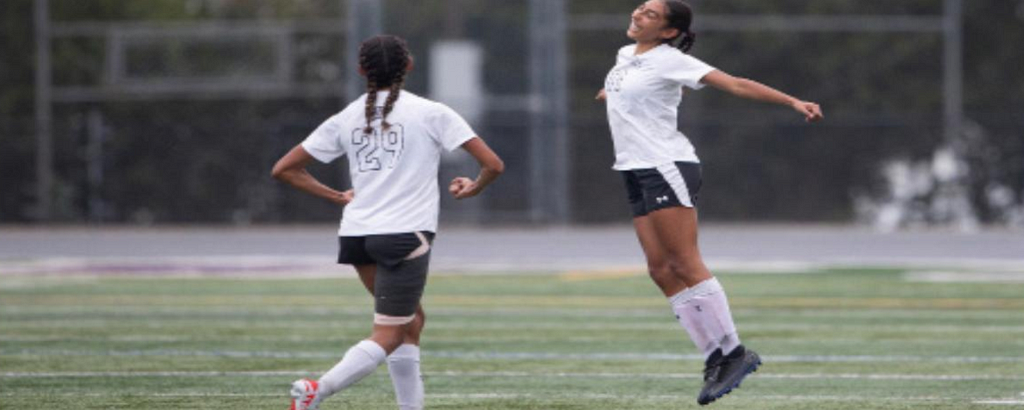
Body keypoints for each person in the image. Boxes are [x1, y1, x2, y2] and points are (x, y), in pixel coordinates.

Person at [596, 0, 823, 406]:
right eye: (640, 8)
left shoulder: (671, 60)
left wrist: (792, 101)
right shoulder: (627, 55)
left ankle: (735, 351)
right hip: (633, 168)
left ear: (668, 32)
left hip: (666, 165)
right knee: (660, 270)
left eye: (650, 14)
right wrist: (611, 93)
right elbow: (634, 87)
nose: (637, 14)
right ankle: (714, 357)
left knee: (685, 262)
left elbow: (735, 83)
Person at [271, 34, 504, 410]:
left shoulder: (346, 116)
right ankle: (317, 390)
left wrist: (337, 197)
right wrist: (474, 187)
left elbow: (285, 169)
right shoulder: (431, 112)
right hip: (403, 236)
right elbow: (493, 164)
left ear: (361, 70)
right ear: (409, 66)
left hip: (357, 237)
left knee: (410, 322)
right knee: (391, 332)